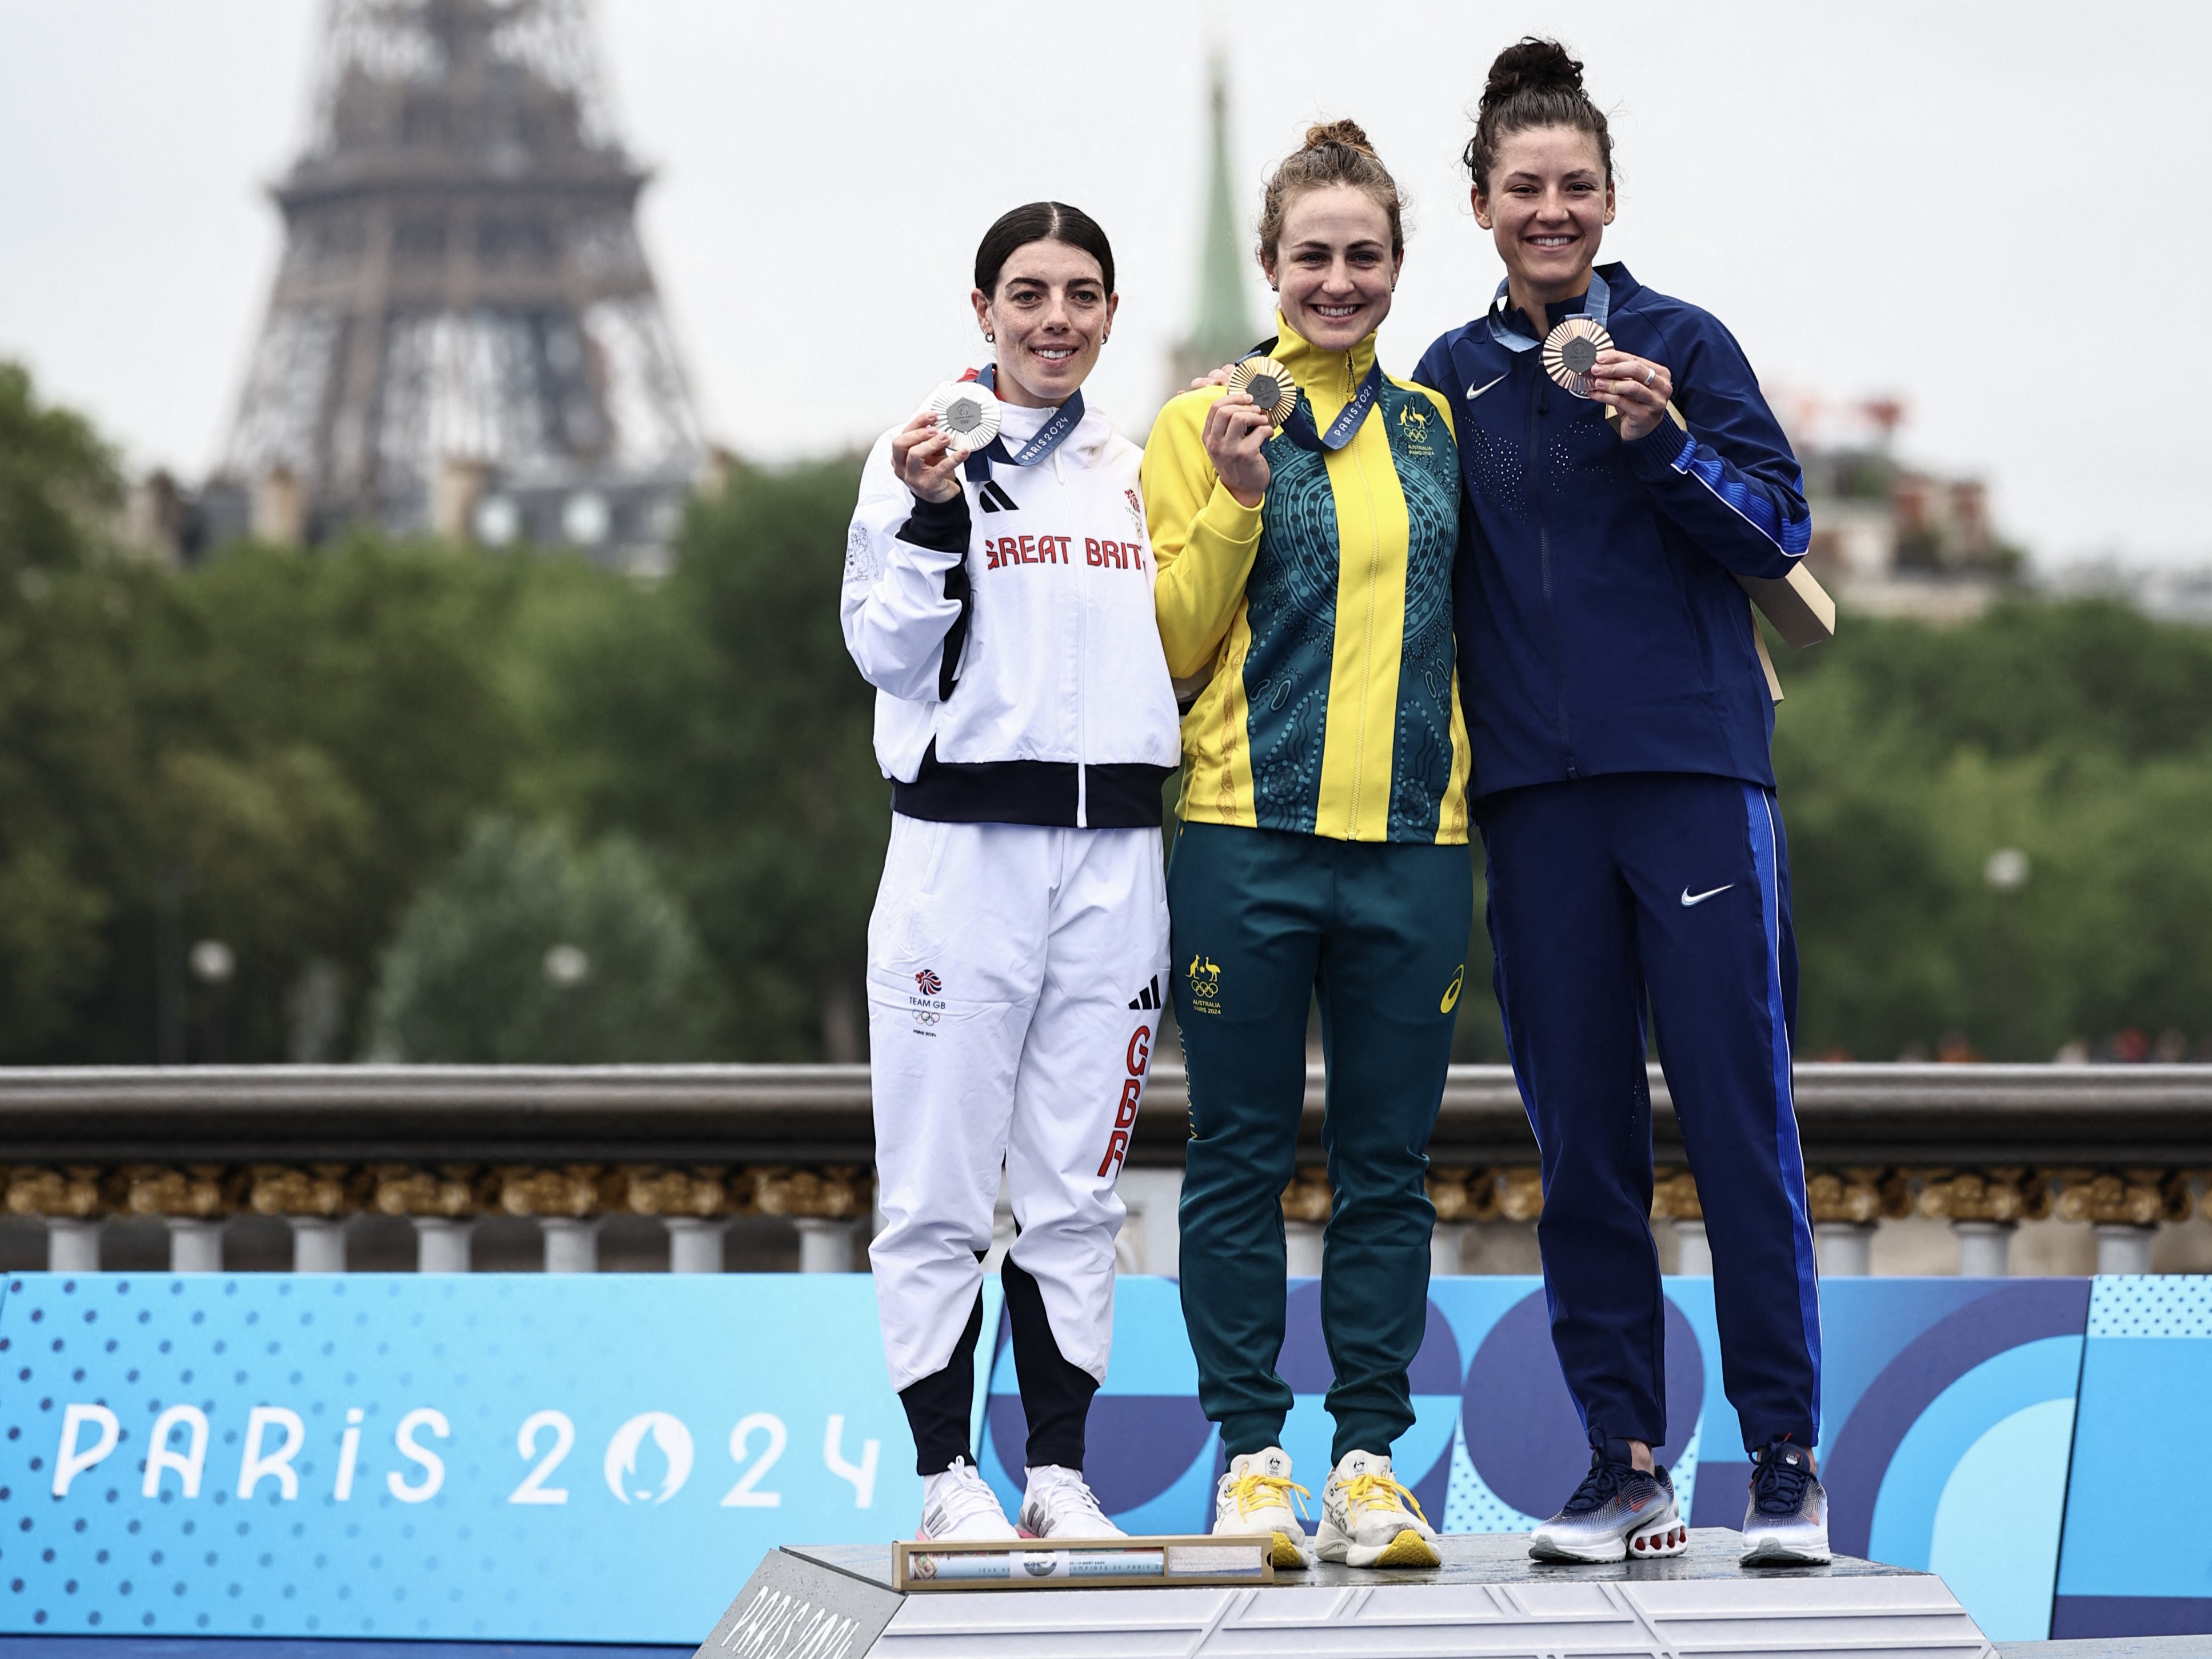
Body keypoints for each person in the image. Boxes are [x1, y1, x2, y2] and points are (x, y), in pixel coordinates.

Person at [1414, 39, 1828, 1566]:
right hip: (1532, 803)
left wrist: (1660, 440)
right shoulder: (1449, 381)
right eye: (1521, 187)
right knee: (1579, 1141)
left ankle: (1783, 1460)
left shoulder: (1679, 341)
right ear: (1477, 205)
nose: (1549, 208)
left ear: (1606, 198)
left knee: (1734, 1122)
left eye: (1573, 185)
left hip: (1692, 783)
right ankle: (1623, 1463)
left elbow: (1774, 530)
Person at [1143, 121, 1471, 1571]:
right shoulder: (1196, 420)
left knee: (1390, 1167)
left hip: (1417, 843)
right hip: (1245, 836)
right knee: (1239, 1154)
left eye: (1364, 255)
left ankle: (1372, 1460)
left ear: (1397, 268)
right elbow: (1163, 643)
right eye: (1311, 257)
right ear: (1271, 268)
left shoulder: (1435, 428)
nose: (1338, 280)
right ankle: (1252, 1456)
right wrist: (1227, 488)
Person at [840, 202, 1180, 1545]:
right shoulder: (919, 453)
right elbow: (881, 653)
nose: (1056, 318)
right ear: (981, 308)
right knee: (935, 1184)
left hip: (1118, 861)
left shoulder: (1132, 467)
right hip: (960, 856)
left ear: (1110, 312)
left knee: (1079, 1188)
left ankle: (1059, 1474)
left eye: (1083, 294)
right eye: (1028, 293)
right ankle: (943, 1480)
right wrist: (932, 519)